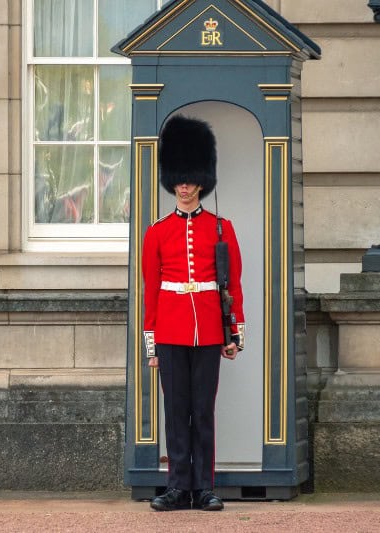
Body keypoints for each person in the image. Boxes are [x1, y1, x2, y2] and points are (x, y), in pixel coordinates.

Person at [143, 114, 245, 512]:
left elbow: (232, 285)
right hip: (169, 329)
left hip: (208, 331)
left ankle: (204, 487)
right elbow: (152, 290)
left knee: (202, 411)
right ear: (173, 181)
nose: (184, 186)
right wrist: (151, 342)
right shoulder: (157, 231)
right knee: (175, 412)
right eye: (179, 179)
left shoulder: (222, 229)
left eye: (190, 179)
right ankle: (177, 486)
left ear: (202, 180)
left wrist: (234, 334)